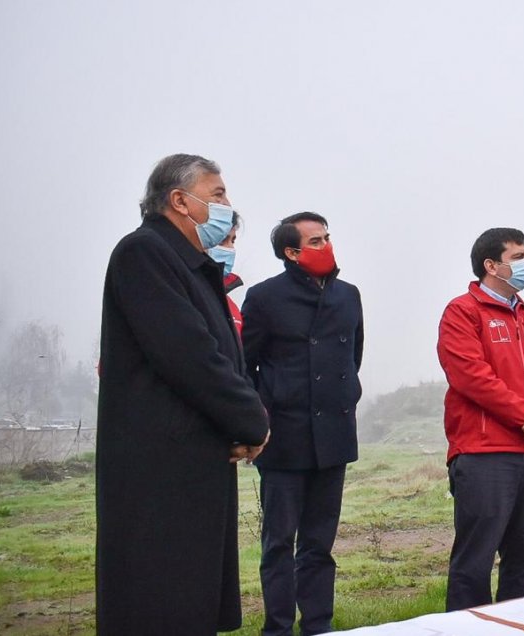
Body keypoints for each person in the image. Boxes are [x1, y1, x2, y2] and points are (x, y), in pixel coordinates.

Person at [96, 153, 270, 634]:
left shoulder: (188, 264)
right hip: (159, 469)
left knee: (190, 600)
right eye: (217, 195)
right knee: (161, 599)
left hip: (194, 458)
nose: (227, 205)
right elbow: (190, 355)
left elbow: (221, 356)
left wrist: (236, 423)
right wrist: (251, 421)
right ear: (179, 200)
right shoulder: (144, 253)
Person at [241, 211, 364, 636]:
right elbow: (246, 365)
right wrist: (262, 416)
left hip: (334, 436)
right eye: (315, 241)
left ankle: (319, 626)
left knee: (318, 544)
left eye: (327, 237)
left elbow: (353, 359)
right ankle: (277, 627)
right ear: (291, 253)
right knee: (278, 544)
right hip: (284, 439)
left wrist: (346, 396)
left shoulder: (349, 295)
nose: (325, 245)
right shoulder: (263, 298)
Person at [437, 227, 524, 611]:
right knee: (475, 561)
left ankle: (518, 624)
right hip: (483, 454)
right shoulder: (462, 312)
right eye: (518, 257)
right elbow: (470, 376)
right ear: (491, 265)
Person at [208, 211, 244, 336]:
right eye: (222, 240)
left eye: (232, 241)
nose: (230, 248)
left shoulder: (231, 306)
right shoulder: (183, 292)